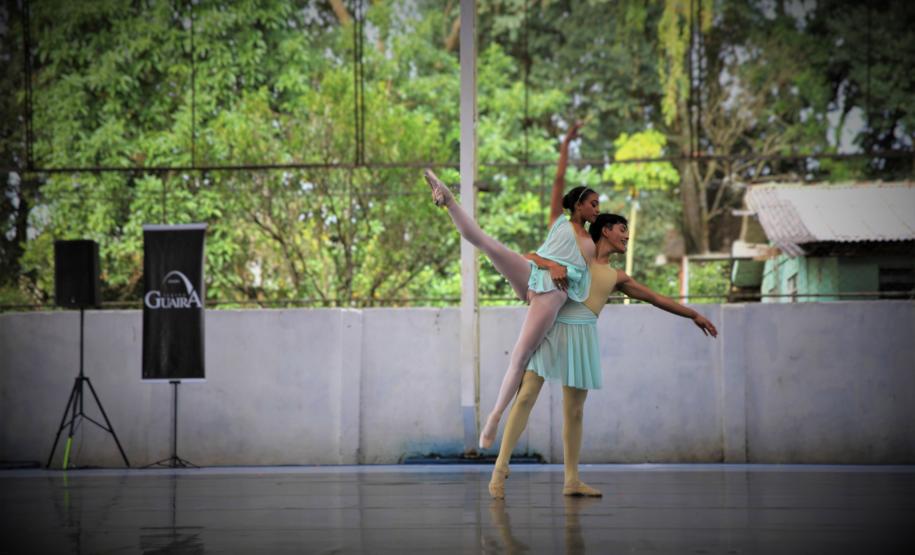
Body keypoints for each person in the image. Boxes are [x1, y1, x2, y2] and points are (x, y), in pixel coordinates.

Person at [487, 212, 719, 499]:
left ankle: (572, 480)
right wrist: (549, 265)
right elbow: (529, 257)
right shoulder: (574, 256)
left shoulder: (616, 276)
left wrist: (693, 314)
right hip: (553, 329)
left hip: (582, 336)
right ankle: (500, 468)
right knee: (526, 395)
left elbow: (655, 298)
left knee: (574, 410)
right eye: (623, 230)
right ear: (606, 230)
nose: (627, 236)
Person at [424, 122, 597, 449]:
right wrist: (565, 145)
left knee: (519, 355)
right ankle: (447, 199)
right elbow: (557, 185)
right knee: (485, 241)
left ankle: (493, 418)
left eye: (598, 206)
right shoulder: (559, 223)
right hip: (532, 274)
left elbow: (583, 280)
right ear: (576, 206)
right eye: (591, 203)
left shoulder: (591, 242)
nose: (596, 209)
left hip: (552, 293)